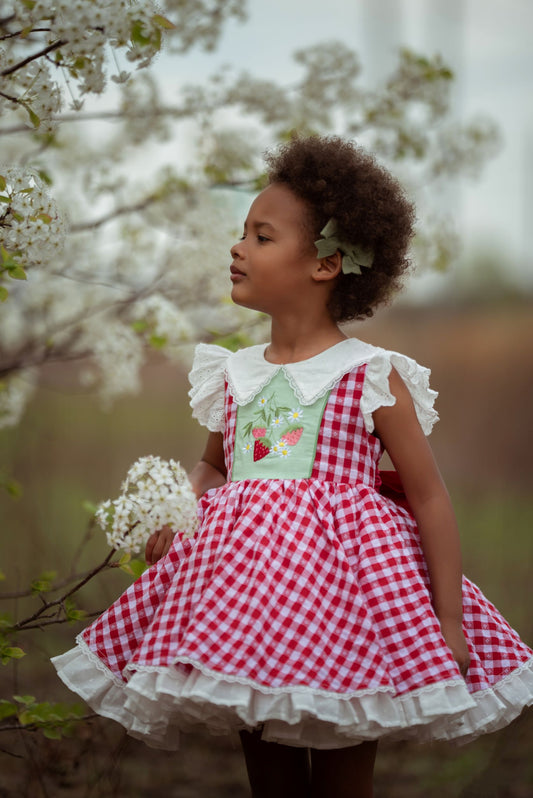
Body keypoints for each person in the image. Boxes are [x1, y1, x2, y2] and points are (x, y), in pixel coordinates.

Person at [53, 135, 533, 798]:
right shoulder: (234, 372)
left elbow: (428, 499)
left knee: (343, 770)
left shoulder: (369, 375)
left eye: (261, 235)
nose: (237, 247)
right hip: (241, 603)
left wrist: (447, 621)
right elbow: (212, 469)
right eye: (241, 233)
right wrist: (175, 514)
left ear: (327, 262)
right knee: (267, 775)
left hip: (348, 605)